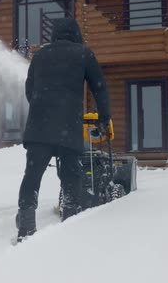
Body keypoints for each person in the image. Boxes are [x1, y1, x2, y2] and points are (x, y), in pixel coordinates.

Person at [16, 18, 111, 241]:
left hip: (39, 127)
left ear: (54, 35)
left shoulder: (39, 55)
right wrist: (104, 118)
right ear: (75, 34)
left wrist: (42, 108)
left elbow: (29, 90)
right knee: (70, 174)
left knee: (32, 174)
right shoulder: (84, 54)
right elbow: (99, 87)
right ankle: (70, 219)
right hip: (68, 126)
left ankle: (26, 227)